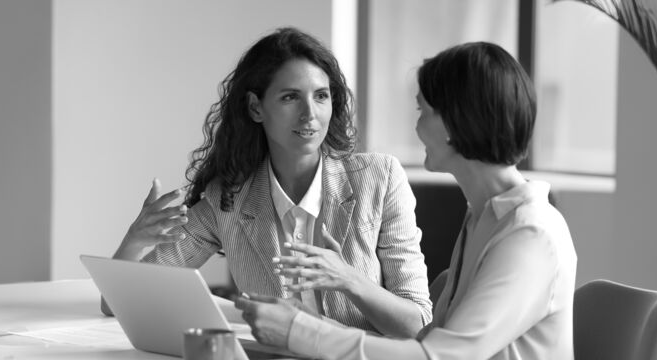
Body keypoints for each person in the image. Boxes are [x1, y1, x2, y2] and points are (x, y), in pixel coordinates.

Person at [235, 41, 578, 359]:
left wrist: (299, 332)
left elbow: (438, 356)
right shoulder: (484, 217)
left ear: (455, 123)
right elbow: (427, 340)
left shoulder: (529, 234)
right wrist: (312, 319)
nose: (416, 127)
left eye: (423, 111)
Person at [102, 27, 432, 336]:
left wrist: (349, 280)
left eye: (321, 96)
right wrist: (135, 240)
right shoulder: (227, 200)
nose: (309, 114)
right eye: (290, 97)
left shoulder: (380, 178)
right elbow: (118, 303)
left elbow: (418, 325)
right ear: (256, 107)